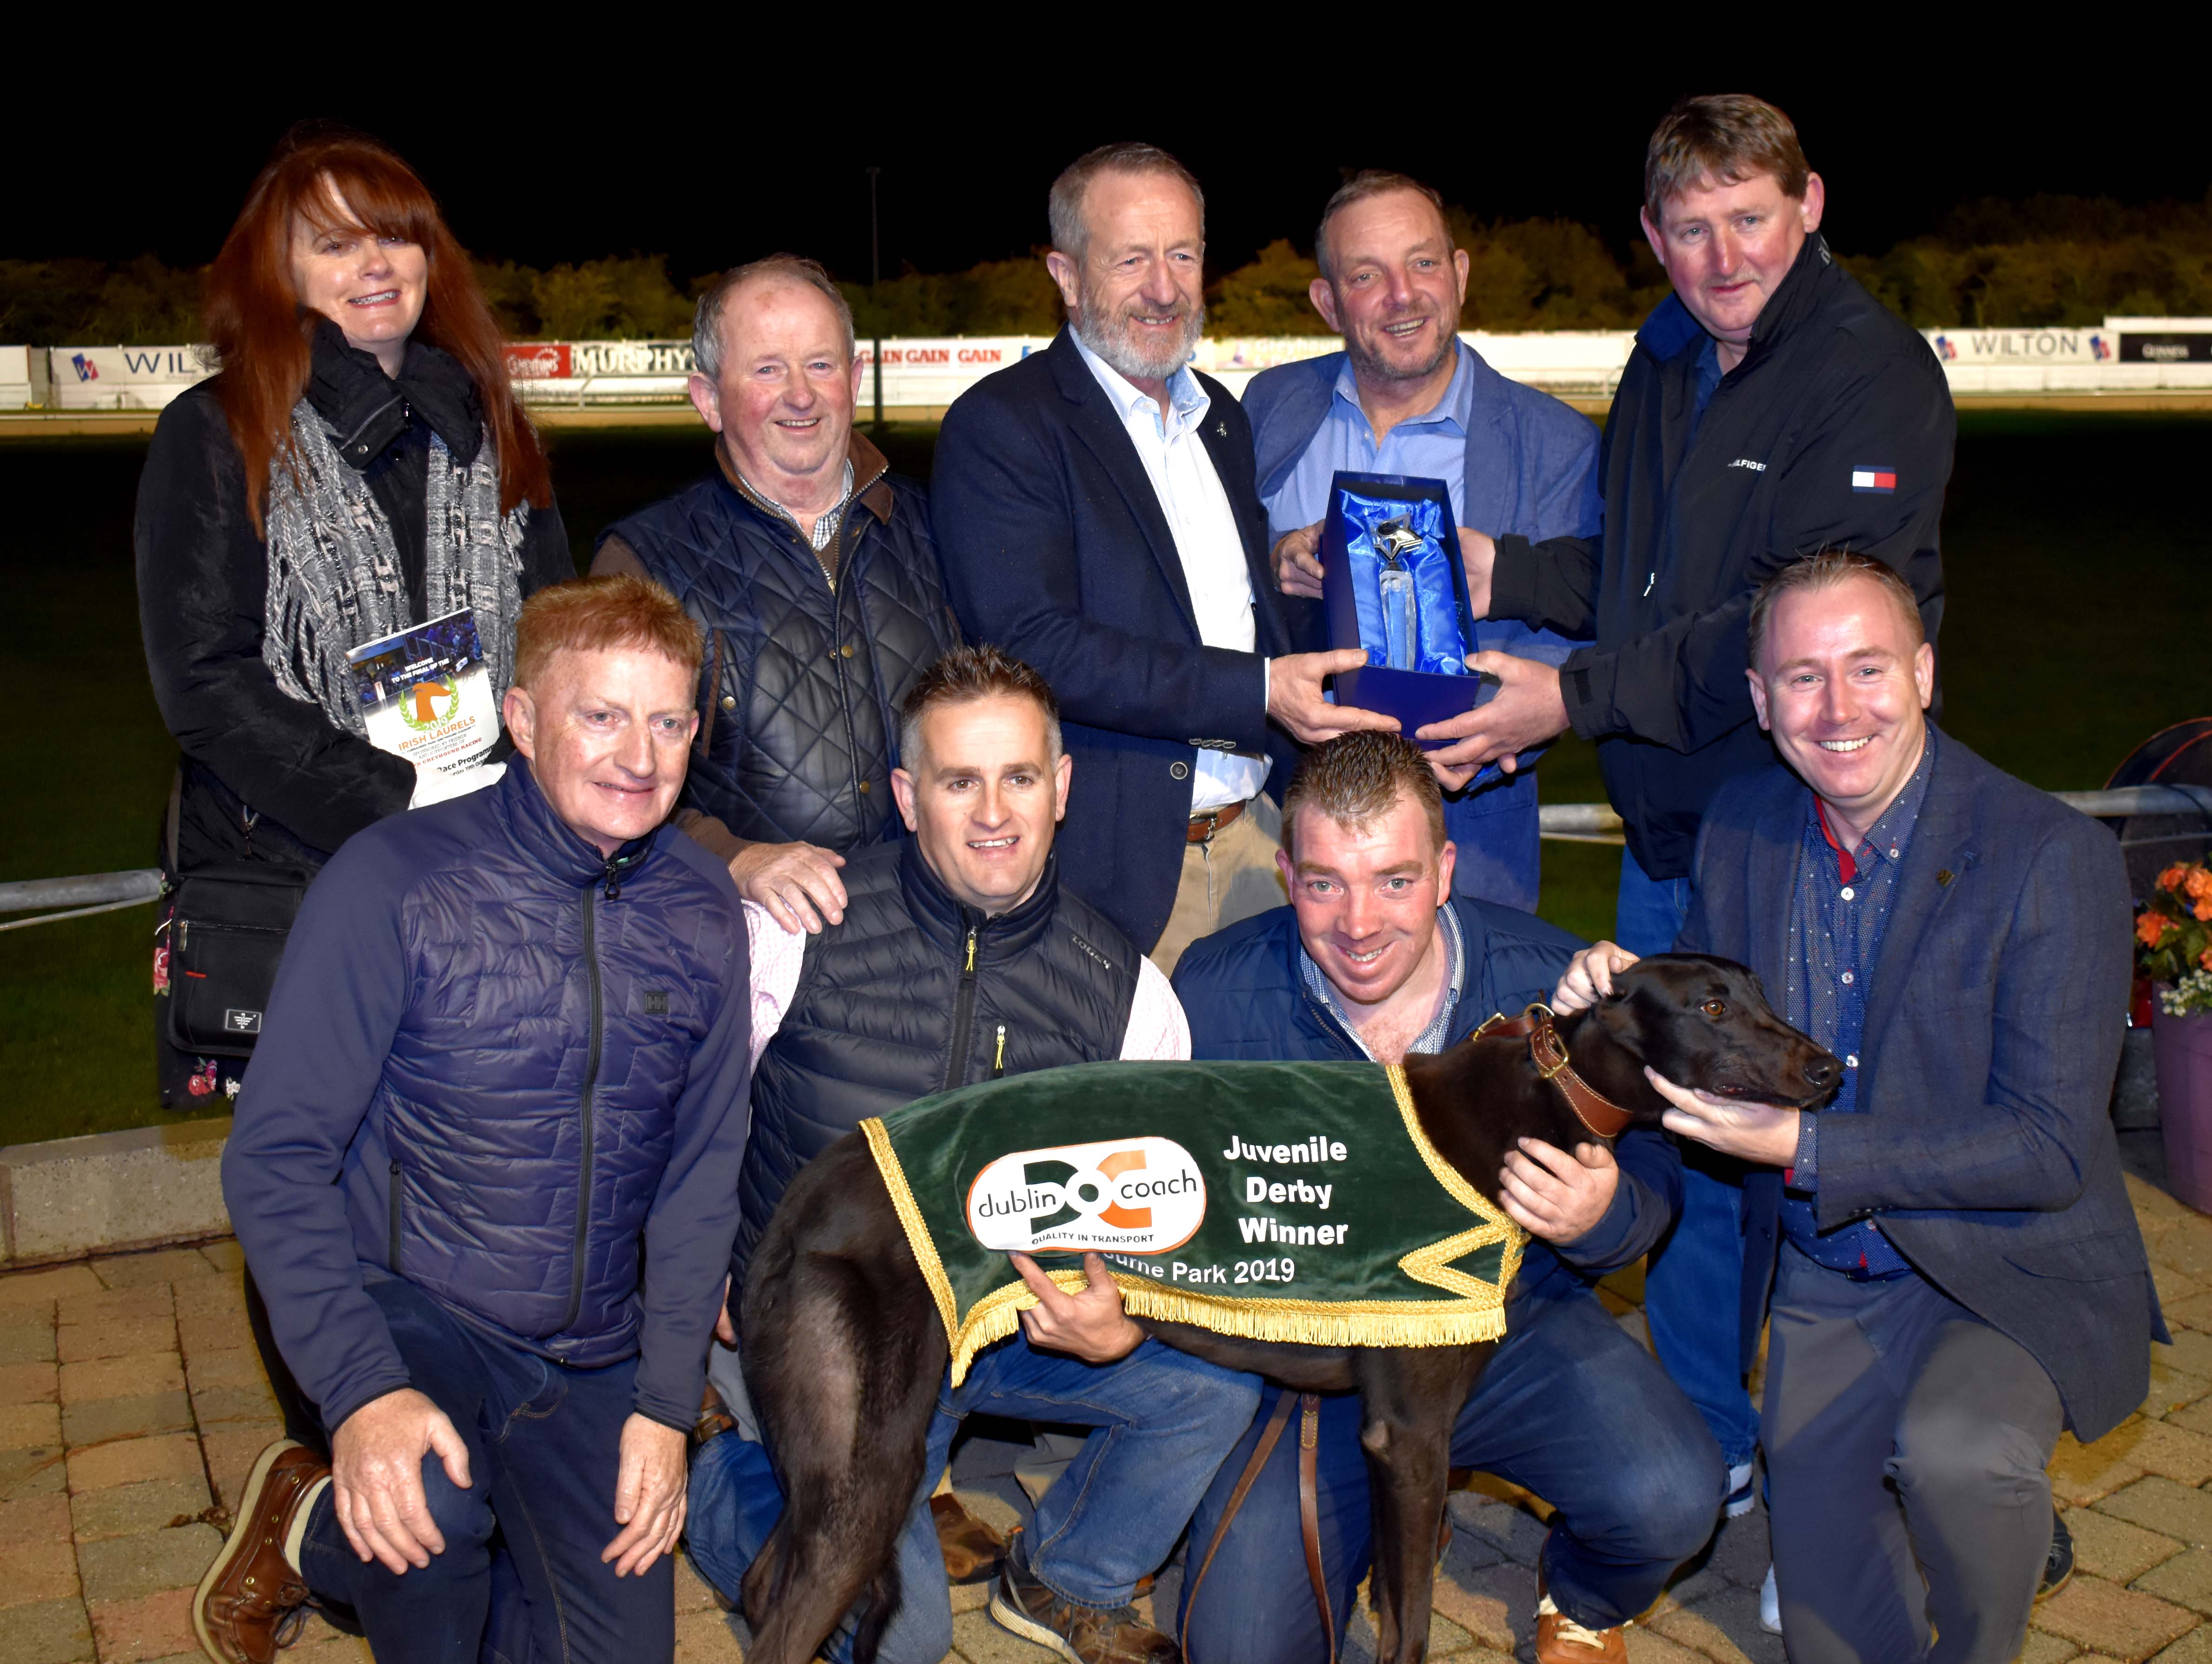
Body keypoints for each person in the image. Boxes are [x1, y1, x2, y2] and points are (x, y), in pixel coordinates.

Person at [1422, 95, 1958, 1506]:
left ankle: (1877, 1462)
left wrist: (1569, 699)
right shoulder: (1665, 357)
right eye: (1692, 226)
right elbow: (1637, 571)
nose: (1723, 256)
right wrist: (1502, 573)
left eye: (1751, 219)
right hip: (1677, 844)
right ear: (1654, 234)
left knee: (1825, 1167)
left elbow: (1780, 627)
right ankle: (1717, 1445)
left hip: (1801, 833)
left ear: (1810, 204)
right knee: (1698, 1165)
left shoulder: (1871, 372)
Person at [1554, 553, 2162, 1664]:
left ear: (1926, 672)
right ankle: (1951, 1524)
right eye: (1802, 677)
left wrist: (1809, 1142)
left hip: (2003, 1265)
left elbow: (2047, 1147)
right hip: (1837, 1276)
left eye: (1869, 668)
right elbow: (1707, 1034)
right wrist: (1610, 995)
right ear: (1762, 698)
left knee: (1959, 1451)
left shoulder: (2053, 857)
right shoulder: (1744, 826)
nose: (1840, 710)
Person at [191, 575, 748, 1664]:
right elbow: (276, 1157)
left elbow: (702, 1175)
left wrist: (660, 1403)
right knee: (428, 1493)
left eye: (669, 721)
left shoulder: (705, 909)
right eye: (601, 715)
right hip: (417, 1308)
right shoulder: (394, 879)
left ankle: (334, 1527)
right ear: (523, 716)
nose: (639, 756)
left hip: (587, 1344)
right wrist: (360, 1388)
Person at [685, 644, 1261, 1664]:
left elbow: (1159, 1220)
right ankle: (710, 1461)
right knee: (902, 1646)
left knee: (1217, 1379)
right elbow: (687, 1119)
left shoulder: (1125, 991)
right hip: (818, 1335)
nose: (994, 811)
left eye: (1020, 776)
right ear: (910, 796)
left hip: (990, 1329)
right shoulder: (797, 926)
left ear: (1063, 787)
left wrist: (1123, 1311)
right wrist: (707, 1275)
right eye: (960, 780)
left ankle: (1065, 1573)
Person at [1169, 732, 1719, 1664]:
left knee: (1673, 1492)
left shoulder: (1551, 984)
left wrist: (1604, 1214)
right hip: (1324, 1357)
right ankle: (1395, 1514)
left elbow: (1659, 1166)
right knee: (1244, 1654)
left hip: (1509, 1322)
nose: (1360, 922)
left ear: (1446, 870)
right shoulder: (1213, 993)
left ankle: (1581, 1593)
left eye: (1394, 879)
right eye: (1325, 884)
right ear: (1285, 871)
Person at [135, 124, 571, 1116]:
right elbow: (203, 681)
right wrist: (400, 795)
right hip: (302, 869)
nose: (374, 263)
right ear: (277, 272)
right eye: (332, 243)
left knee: (474, 1165)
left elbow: (557, 635)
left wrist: (518, 792)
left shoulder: (490, 421)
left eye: (394, 236)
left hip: (490, 858)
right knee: (314, 1206)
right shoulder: (216, 429)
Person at [931, 141, 1395, 974]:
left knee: (1271, 1104)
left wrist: (1353, 623)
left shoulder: (1218, 415)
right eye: (1132, 259)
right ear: (1067, 276)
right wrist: (1258, 691)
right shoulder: (1004, 425)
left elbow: (1229, 611)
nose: (1164, 287)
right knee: (1134, 1110)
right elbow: (1033, 644)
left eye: (1183, 256)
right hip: (1121, 880)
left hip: (1259, 847)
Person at [1242, 171, 1602, 910]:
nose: (1402, 295)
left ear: (1461, 274)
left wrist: (1530, 711)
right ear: (1327, 301)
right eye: (1366, 275)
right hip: (1283, 842)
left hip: (1468, 851)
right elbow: (1220, 570)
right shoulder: (1270, 408)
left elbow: (1587, 624)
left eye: (1423, 263)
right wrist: (1275, 554)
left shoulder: (1555, 442)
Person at [594, 253, 957, 937]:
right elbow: (595, 780)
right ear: (708, 399)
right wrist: (731, 859)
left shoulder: (942, 526)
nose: (801, 395)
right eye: (767, 369)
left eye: (821, 365)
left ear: (853, 379)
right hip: (750, 955)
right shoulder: (644, 561)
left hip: (935, 940)